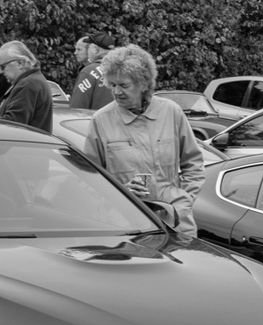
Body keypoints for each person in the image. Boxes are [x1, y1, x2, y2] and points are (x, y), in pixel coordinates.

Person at [86, 44, 205, 241]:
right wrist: (123, 192)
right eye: (112, 85)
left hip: (176, 225)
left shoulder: (171, 112)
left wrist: (183, 202)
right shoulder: (101, 120)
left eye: (124, 85)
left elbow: (194, 164)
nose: (116, 92)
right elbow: (90, 179)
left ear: (143, 84)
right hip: (126, 227)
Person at [0, 41, 53, 133]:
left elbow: (12, 126)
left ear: (20, 63)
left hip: (25, 146)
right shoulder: (33, 80)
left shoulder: (27, 84)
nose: (0, 72)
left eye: (3, 67)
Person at [65, 30, 116, 110]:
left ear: (95, 49)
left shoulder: (89, 72)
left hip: (95, 121)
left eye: (89, 47)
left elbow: (77, 109)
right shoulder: (123, 71)